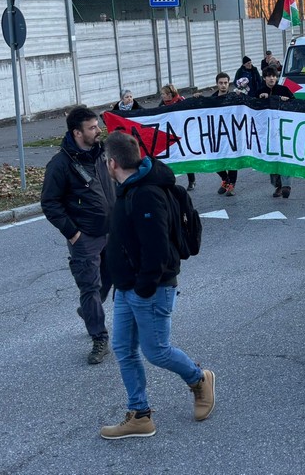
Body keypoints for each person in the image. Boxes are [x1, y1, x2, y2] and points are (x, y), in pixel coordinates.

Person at [100, 131, 215, 440]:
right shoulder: (128, 189)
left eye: (106, 160)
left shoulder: (146, 194)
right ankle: (139, 415)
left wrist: (143, 288)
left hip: (150, 289)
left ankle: (199, 379)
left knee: (157, 352)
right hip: (127, 288)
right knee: (124, 349)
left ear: (112, 163)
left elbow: (158, 250)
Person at [41, 107, 114, 364]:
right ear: (77, 132)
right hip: (85, 238)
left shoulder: (102, 153)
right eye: (92, 128)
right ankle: (99, 338)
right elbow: (50, 203)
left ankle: (88, 310)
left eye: (97, 125)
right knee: (90, 287)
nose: (98, 131)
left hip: (112, 231)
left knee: (109, 278)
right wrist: (73, 233)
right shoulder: (60, 164)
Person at [257, 66, 295, 198]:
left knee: (285, 156)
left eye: (274, 76)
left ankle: (286, 185)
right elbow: (251, 107)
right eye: (269, 76)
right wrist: (260, 99)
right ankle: (277, 185)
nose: (272, 78)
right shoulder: (259, 91)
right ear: (264, 78)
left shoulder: (284, 90)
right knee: (272, 158)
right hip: (268, 131)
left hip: (284, 130)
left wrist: (287, 100)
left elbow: (296, 105)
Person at [159, 84, 196, 191]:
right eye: (161, 94)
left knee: (185, 156)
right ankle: (170, 182)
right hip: (169, 134)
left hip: (182, 134)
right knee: (170, 158)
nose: (162, 96)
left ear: (170, 94)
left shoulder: (181, 102)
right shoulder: (162, 104)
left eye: (164, 94)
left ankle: (192, 180)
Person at [211, 72, 238, 196]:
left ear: (228, 84)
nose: (223, 85)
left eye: (225, 83)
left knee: (232, 159)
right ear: (217, 84)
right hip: (216, 134)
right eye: (221, 83)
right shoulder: (211, 99)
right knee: (215, 160)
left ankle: (231, 184)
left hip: (232, 133)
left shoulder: (234, 97)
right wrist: (197, 97)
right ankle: (225, 179)